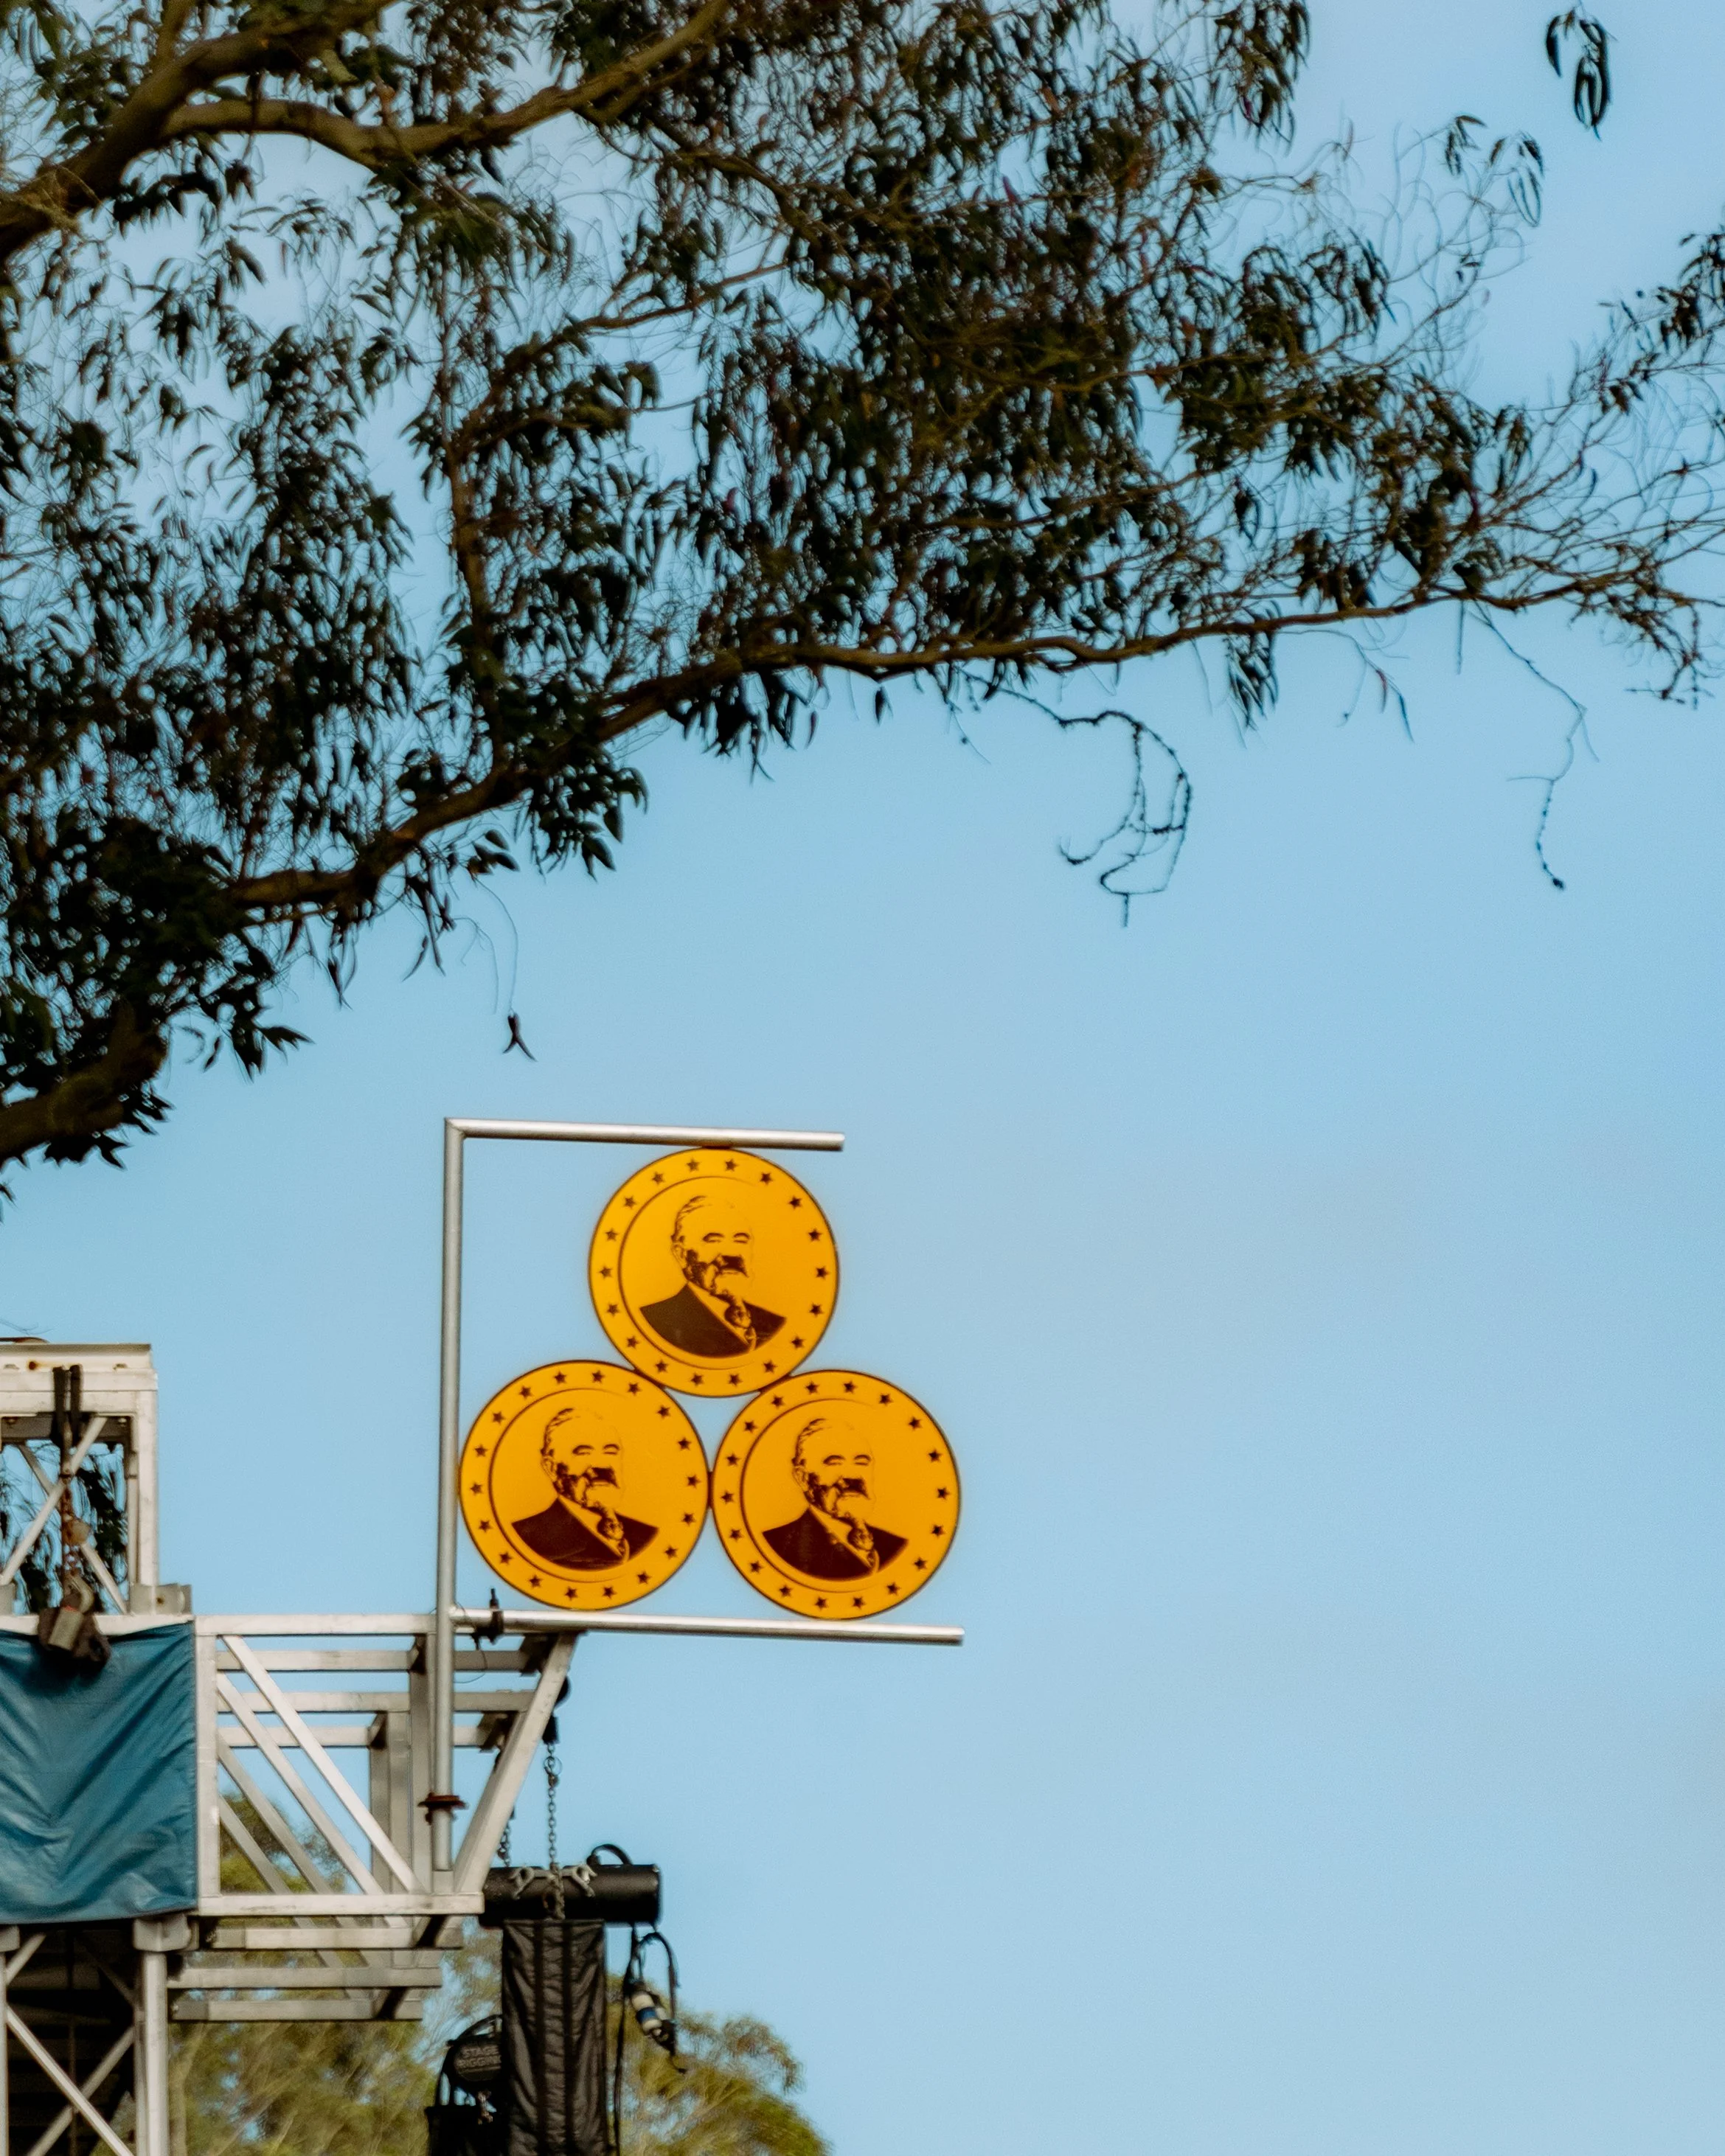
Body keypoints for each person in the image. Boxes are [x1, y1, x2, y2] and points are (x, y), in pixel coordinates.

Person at [640, 1190, 785, 1357]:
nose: (731, 1253)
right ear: (681, 1254)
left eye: (741, 1240)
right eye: (713, 1241)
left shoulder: (775, 1324)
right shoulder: (656, 1321)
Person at [512, 1405, 657, 1568]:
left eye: (610, 1452)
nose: (601, 1464)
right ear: (551, 1468)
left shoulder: (648, 1535)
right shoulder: (526, 1538)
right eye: (583, 1453)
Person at [762, 1415, 905, 1581]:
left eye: (861, 1463)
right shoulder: (776, 1547)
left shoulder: (896, 1545)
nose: (852, 1475)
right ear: (802, 1477)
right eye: (834, 1463)